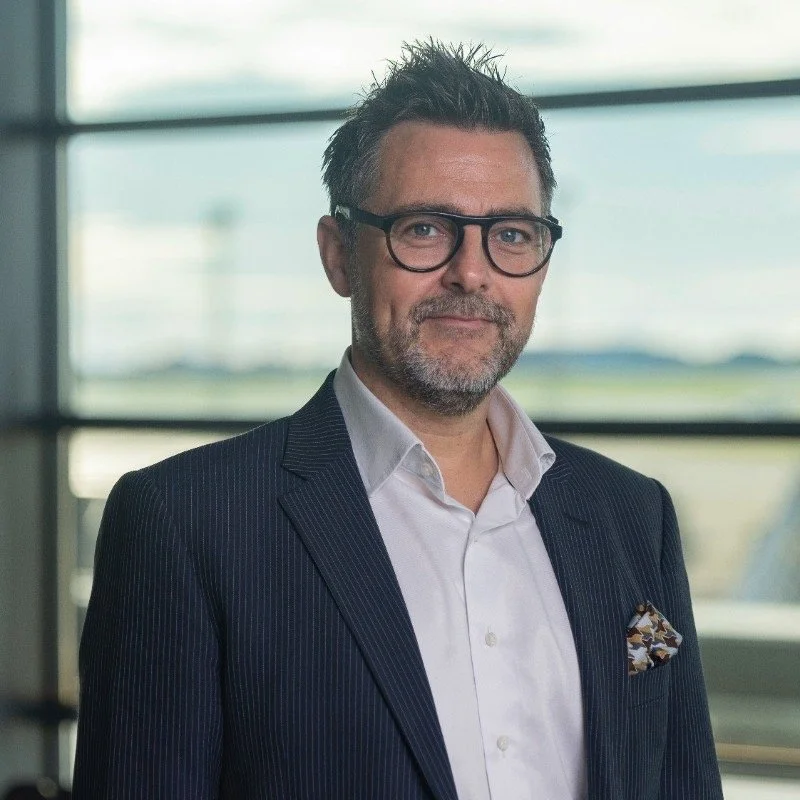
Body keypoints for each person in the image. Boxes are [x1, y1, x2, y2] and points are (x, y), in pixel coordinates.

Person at [72, 41, 723, 800]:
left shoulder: (632, 516)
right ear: (338, 255)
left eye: (511, 234)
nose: (471, 272)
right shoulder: (186, 523)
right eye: (424, 229)